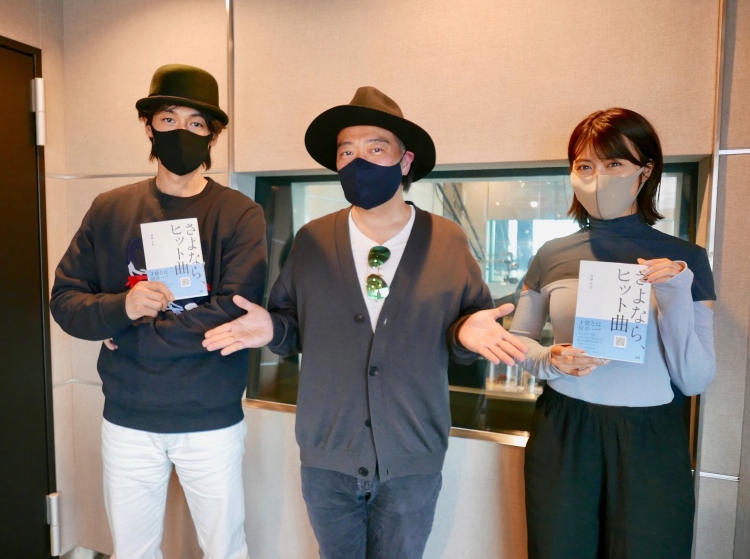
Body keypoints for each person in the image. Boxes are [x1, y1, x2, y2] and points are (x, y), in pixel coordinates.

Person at [202, 86, 528, 558]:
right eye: (346, 152)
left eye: (376, 149)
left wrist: (464, 333)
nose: (359, 162)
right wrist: (273, 329)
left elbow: (470, 333)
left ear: (405, 161)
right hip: (328, 453)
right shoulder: (312, 241)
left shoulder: (448, 241)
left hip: (412, 456)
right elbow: (289, 324)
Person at [50, 64, 267, 558]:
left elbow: (231, 312)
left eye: (196, 123)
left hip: (210, 418)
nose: (181, 132)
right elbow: (65, 302)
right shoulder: (109, 208)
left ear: (213, 135)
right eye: (169, 120)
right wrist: (121, 306)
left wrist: (124, 329)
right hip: (128, 417)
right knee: (133, 550)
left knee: (225, 549)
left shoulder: (239, 214)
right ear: (148, 126)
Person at [510, 108, 716, 559]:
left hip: (651, 436)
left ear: (646, 171)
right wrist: (548, 359)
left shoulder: (685, 259)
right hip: (565, 426)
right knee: (558, 548)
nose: (597, 178)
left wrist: (676, 292)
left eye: (614, 163)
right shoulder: (550, 254)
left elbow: (695, 379)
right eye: (584, 166)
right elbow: (518, 339)